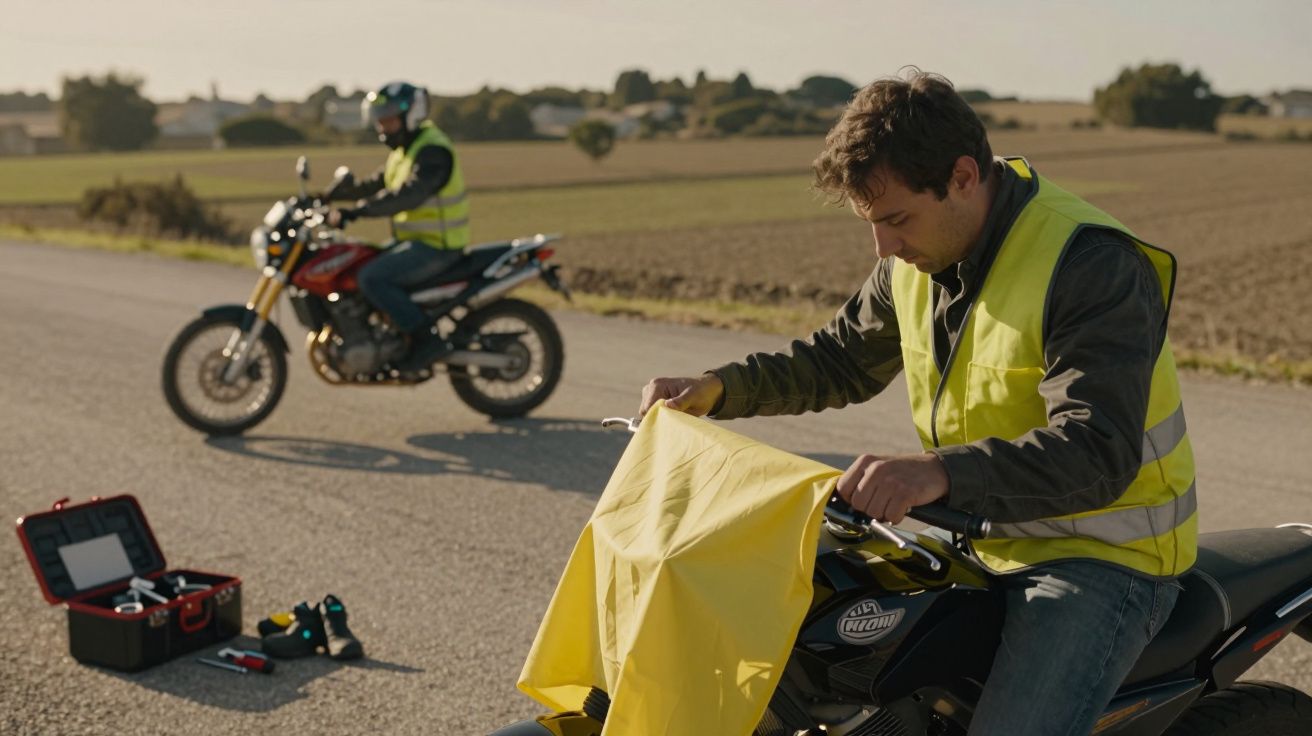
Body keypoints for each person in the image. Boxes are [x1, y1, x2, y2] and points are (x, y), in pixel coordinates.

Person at [638, 69, 1196, 735]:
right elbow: (841, 359)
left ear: (963, 176)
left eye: (897, 219)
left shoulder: (1089, 262)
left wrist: (938, 472)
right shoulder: (918, 254)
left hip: (1103, 560)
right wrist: (719, 388)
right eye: (872, 225)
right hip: (979, 532)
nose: (884, 247)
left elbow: (1097, 449)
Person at [323, 81, 470, 372]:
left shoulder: (432, 151)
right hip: (414, 242)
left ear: (411, 115)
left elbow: (408, 195)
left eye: (388, 120)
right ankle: (386, 336)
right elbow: (375, 184)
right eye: (379, 120)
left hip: (438, 246)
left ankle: (426, 340)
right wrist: (326, 196)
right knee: (356, 263)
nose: (382, 127)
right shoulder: (405, 151)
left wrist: (356, 213)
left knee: (372, 278)